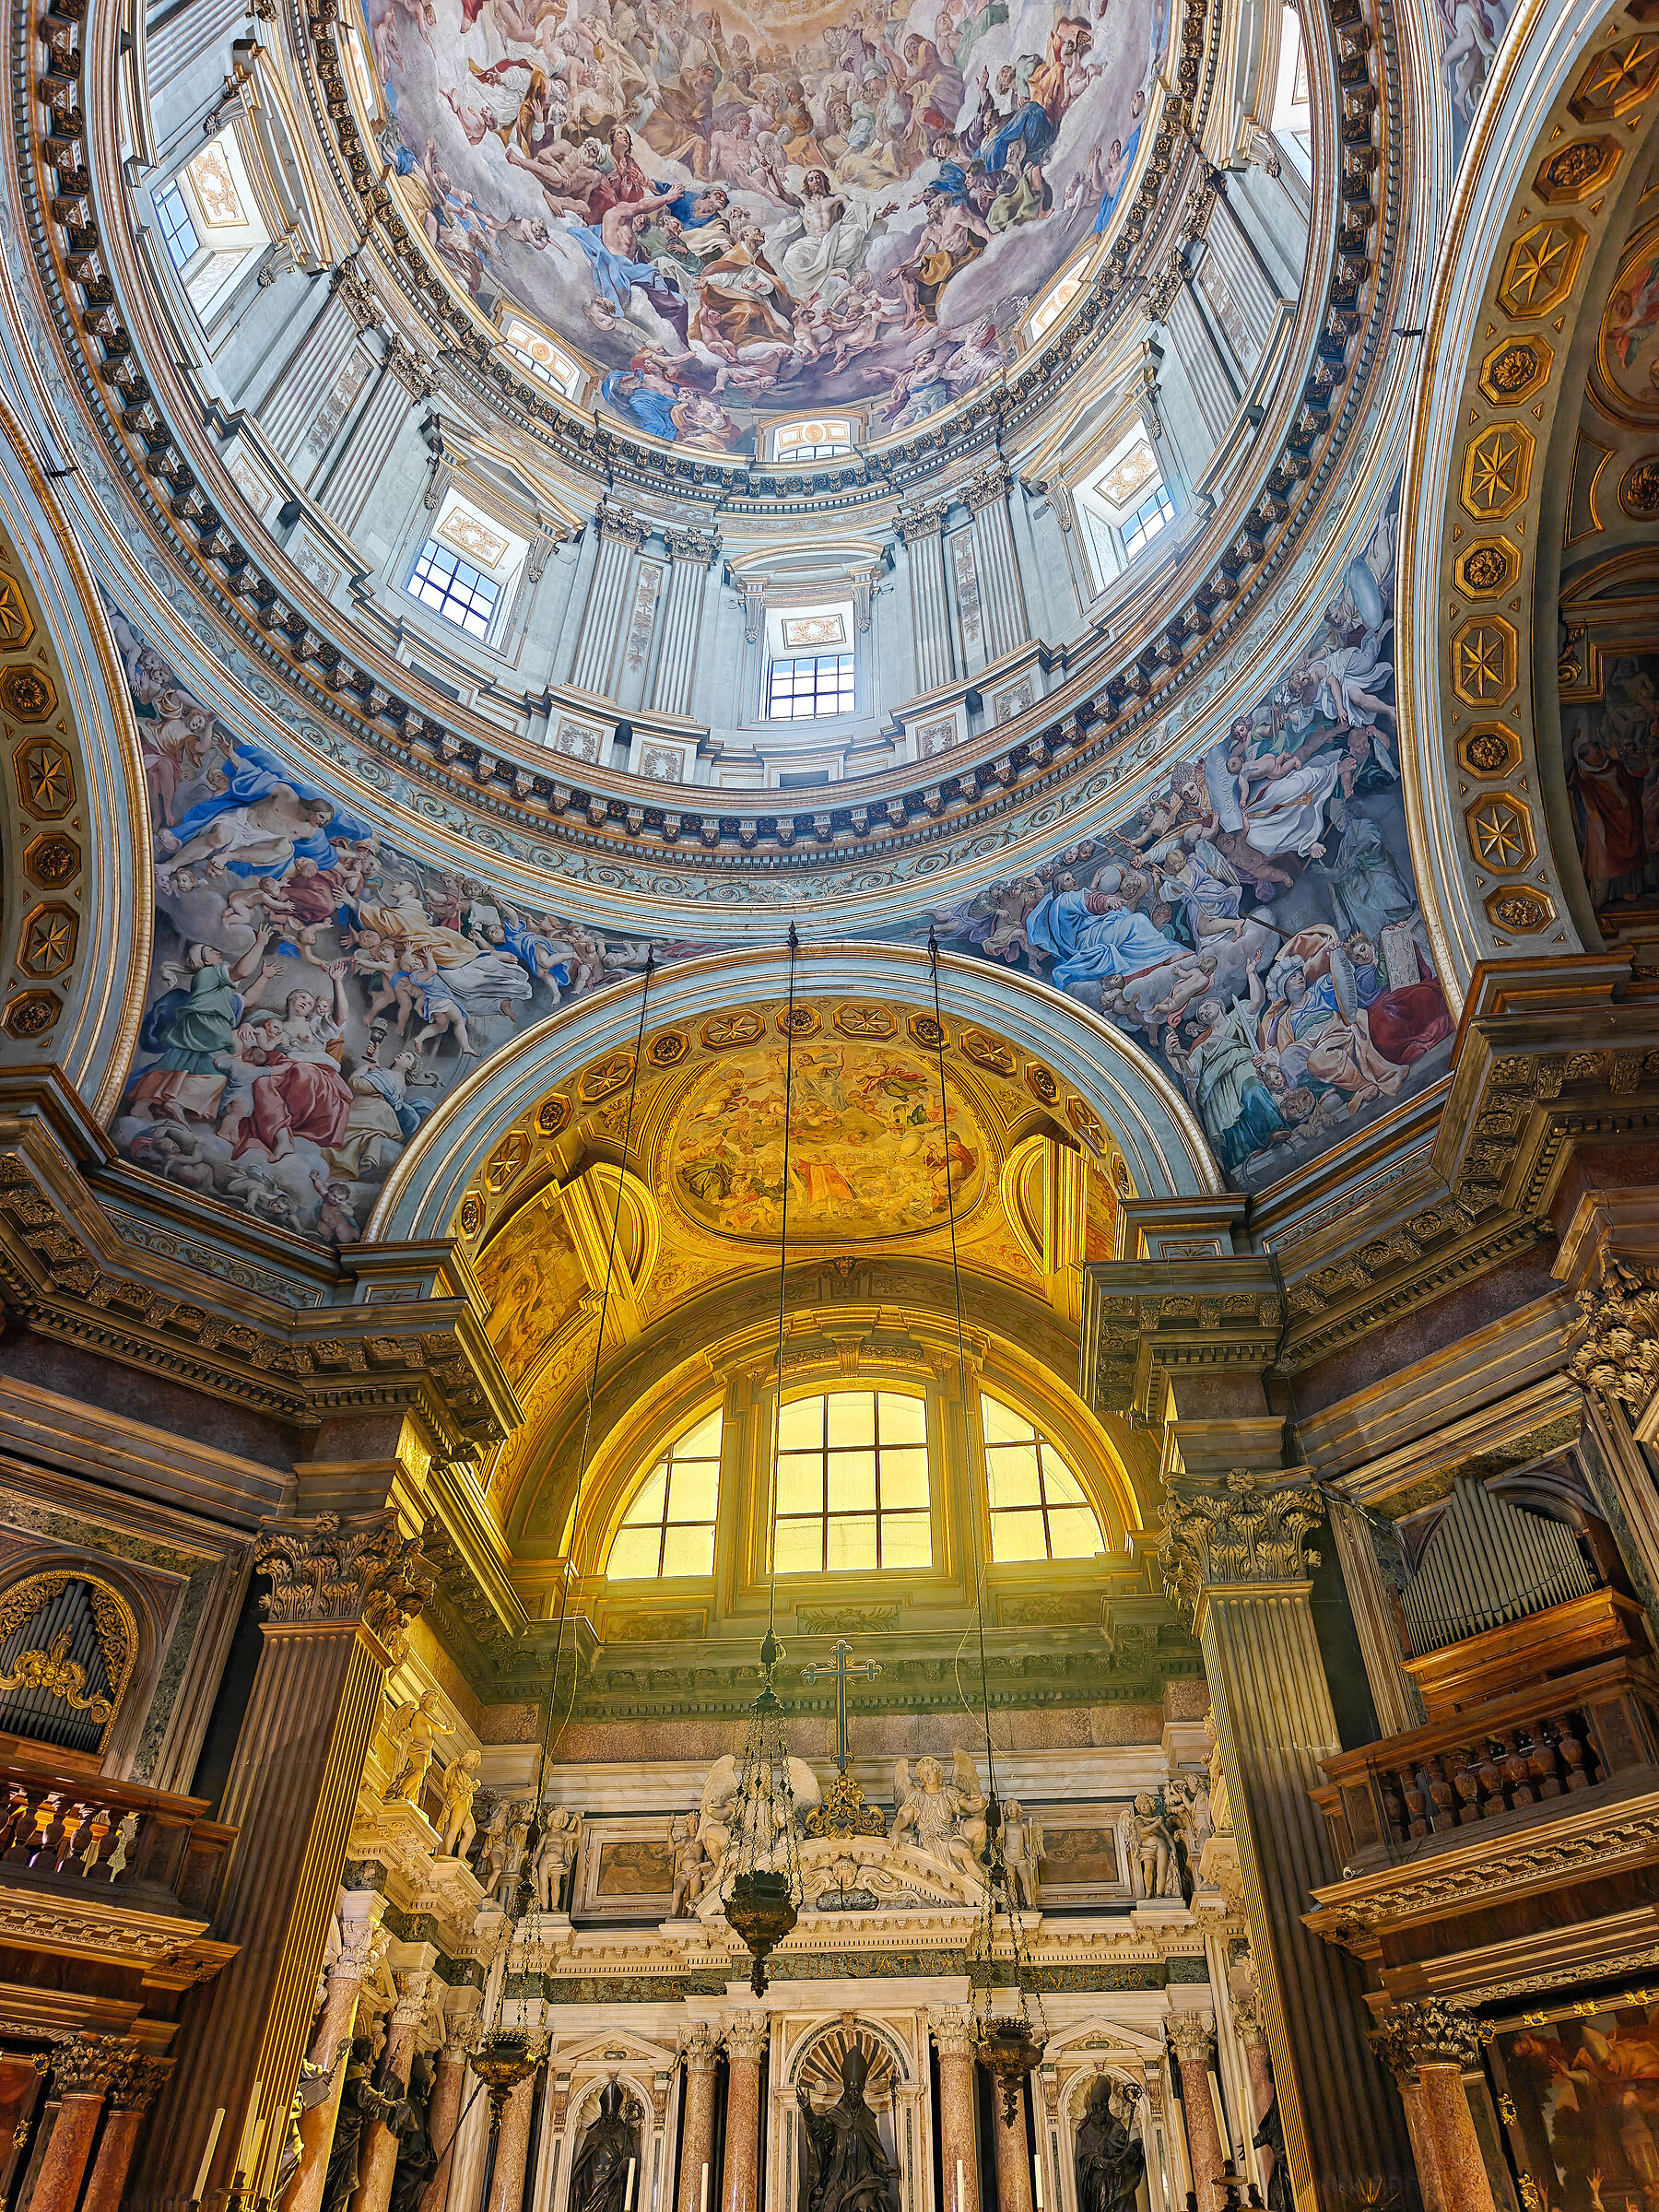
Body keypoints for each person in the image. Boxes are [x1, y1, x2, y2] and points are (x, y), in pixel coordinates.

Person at [797, 2048, 899, 2212]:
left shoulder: (867, 2118)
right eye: (850, 2089)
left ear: (862, 2089)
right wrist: (808, 2111)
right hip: (839, 2178)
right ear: (845, 2087)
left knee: (865, 2205)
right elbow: (821, 2132)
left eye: (857, 2089)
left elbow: (876, 2154)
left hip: (864, 2179)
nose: (853, 2093)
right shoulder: (836, 2115)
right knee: (828, 2207)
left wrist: (885, 2168)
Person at [571, 2080, 639, 2212]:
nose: (609, 2118)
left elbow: (628, 2159)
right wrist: (579, 2178)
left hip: (611, 2183)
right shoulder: (593, 2132)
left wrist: (624, 2165)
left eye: (611, 2115)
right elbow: (583, 2160)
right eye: (607, 2115)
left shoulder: (623, 2132)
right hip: (590, 2183)